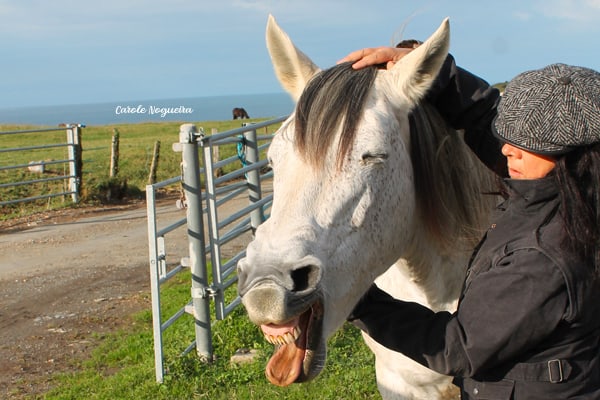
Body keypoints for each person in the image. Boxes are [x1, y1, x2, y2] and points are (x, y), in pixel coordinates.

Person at [339, 46, 600, 399]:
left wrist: (354, 297)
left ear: (574, 156)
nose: (508, 150)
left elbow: (458, 346)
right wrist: (433, 72)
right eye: (509, 135)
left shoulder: (546, 257)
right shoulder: (567, 188)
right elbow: (484, 116)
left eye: (527, 144)